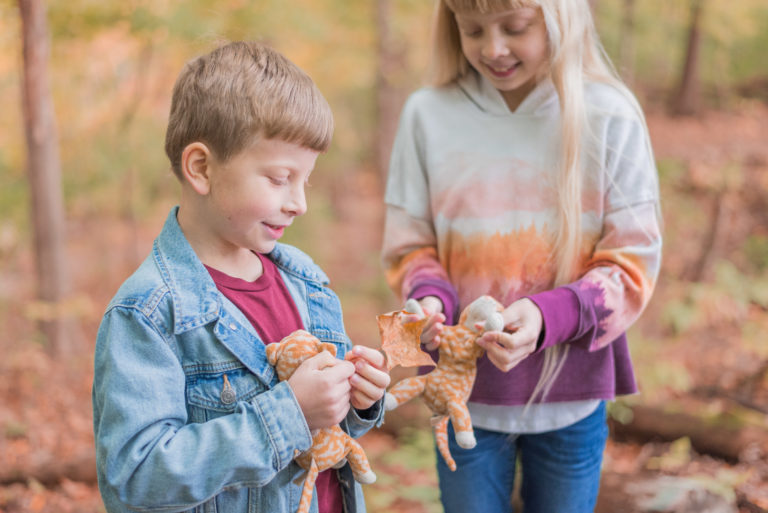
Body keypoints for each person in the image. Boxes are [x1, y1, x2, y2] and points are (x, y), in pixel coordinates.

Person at [381, 1, 662, 511]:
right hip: (464, 397)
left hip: (571, 398)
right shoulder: (428, 114)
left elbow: (632, 265)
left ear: (561, 19)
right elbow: (409, 244)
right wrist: (428, 300)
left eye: (515, 28)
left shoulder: (609, 115)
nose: (493, 48)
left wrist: (544, 315)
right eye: (472, 30)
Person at [92, 41, 390, 513]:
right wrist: (288, 413)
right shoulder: (148, 314)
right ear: (201, 168)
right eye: (278, 179)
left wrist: (357, 401)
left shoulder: (306, 284)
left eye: (305, 180)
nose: (299, 202)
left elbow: (326, 433)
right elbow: (136, 479)